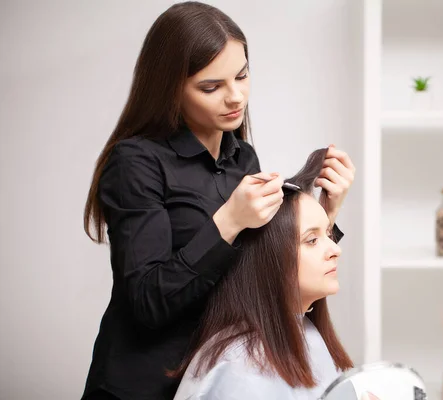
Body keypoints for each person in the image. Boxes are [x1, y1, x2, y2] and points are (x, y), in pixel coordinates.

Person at [80, 2, 356, 399]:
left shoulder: (242, 158)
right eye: (211, 87)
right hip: (144, 385)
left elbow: (262, 274)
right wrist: (228, 222)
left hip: (223, 374)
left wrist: (327, 214)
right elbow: (148, 303)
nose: (235, 97)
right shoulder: (136, 163)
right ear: (169, 86)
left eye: (242, 76)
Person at [170, 148, 354, 400]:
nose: (335, 249)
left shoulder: (305, 330)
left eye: (329, 235)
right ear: (271, 259)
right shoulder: (239, 368)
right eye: (312, 240)